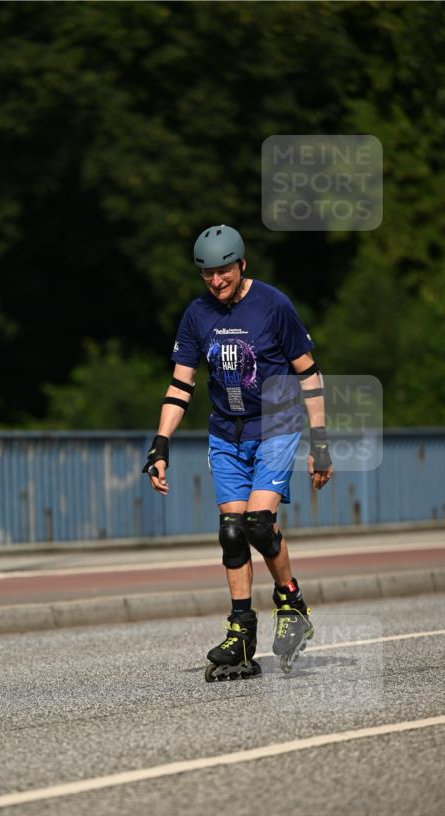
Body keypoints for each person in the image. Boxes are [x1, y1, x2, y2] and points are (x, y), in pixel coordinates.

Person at [142, 225, 333, 680]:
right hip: (226, 433)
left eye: (223, 271)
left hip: (276, 425)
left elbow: (309, 373)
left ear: (242, 265)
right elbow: (180, 384)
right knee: (232, 532)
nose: (216, 281)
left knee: (258, 524)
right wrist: (160, 443)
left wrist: (320, 442)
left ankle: (290, 599)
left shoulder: (273, 304)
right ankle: (242, 634)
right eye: (207, 273)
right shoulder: (197, 315)